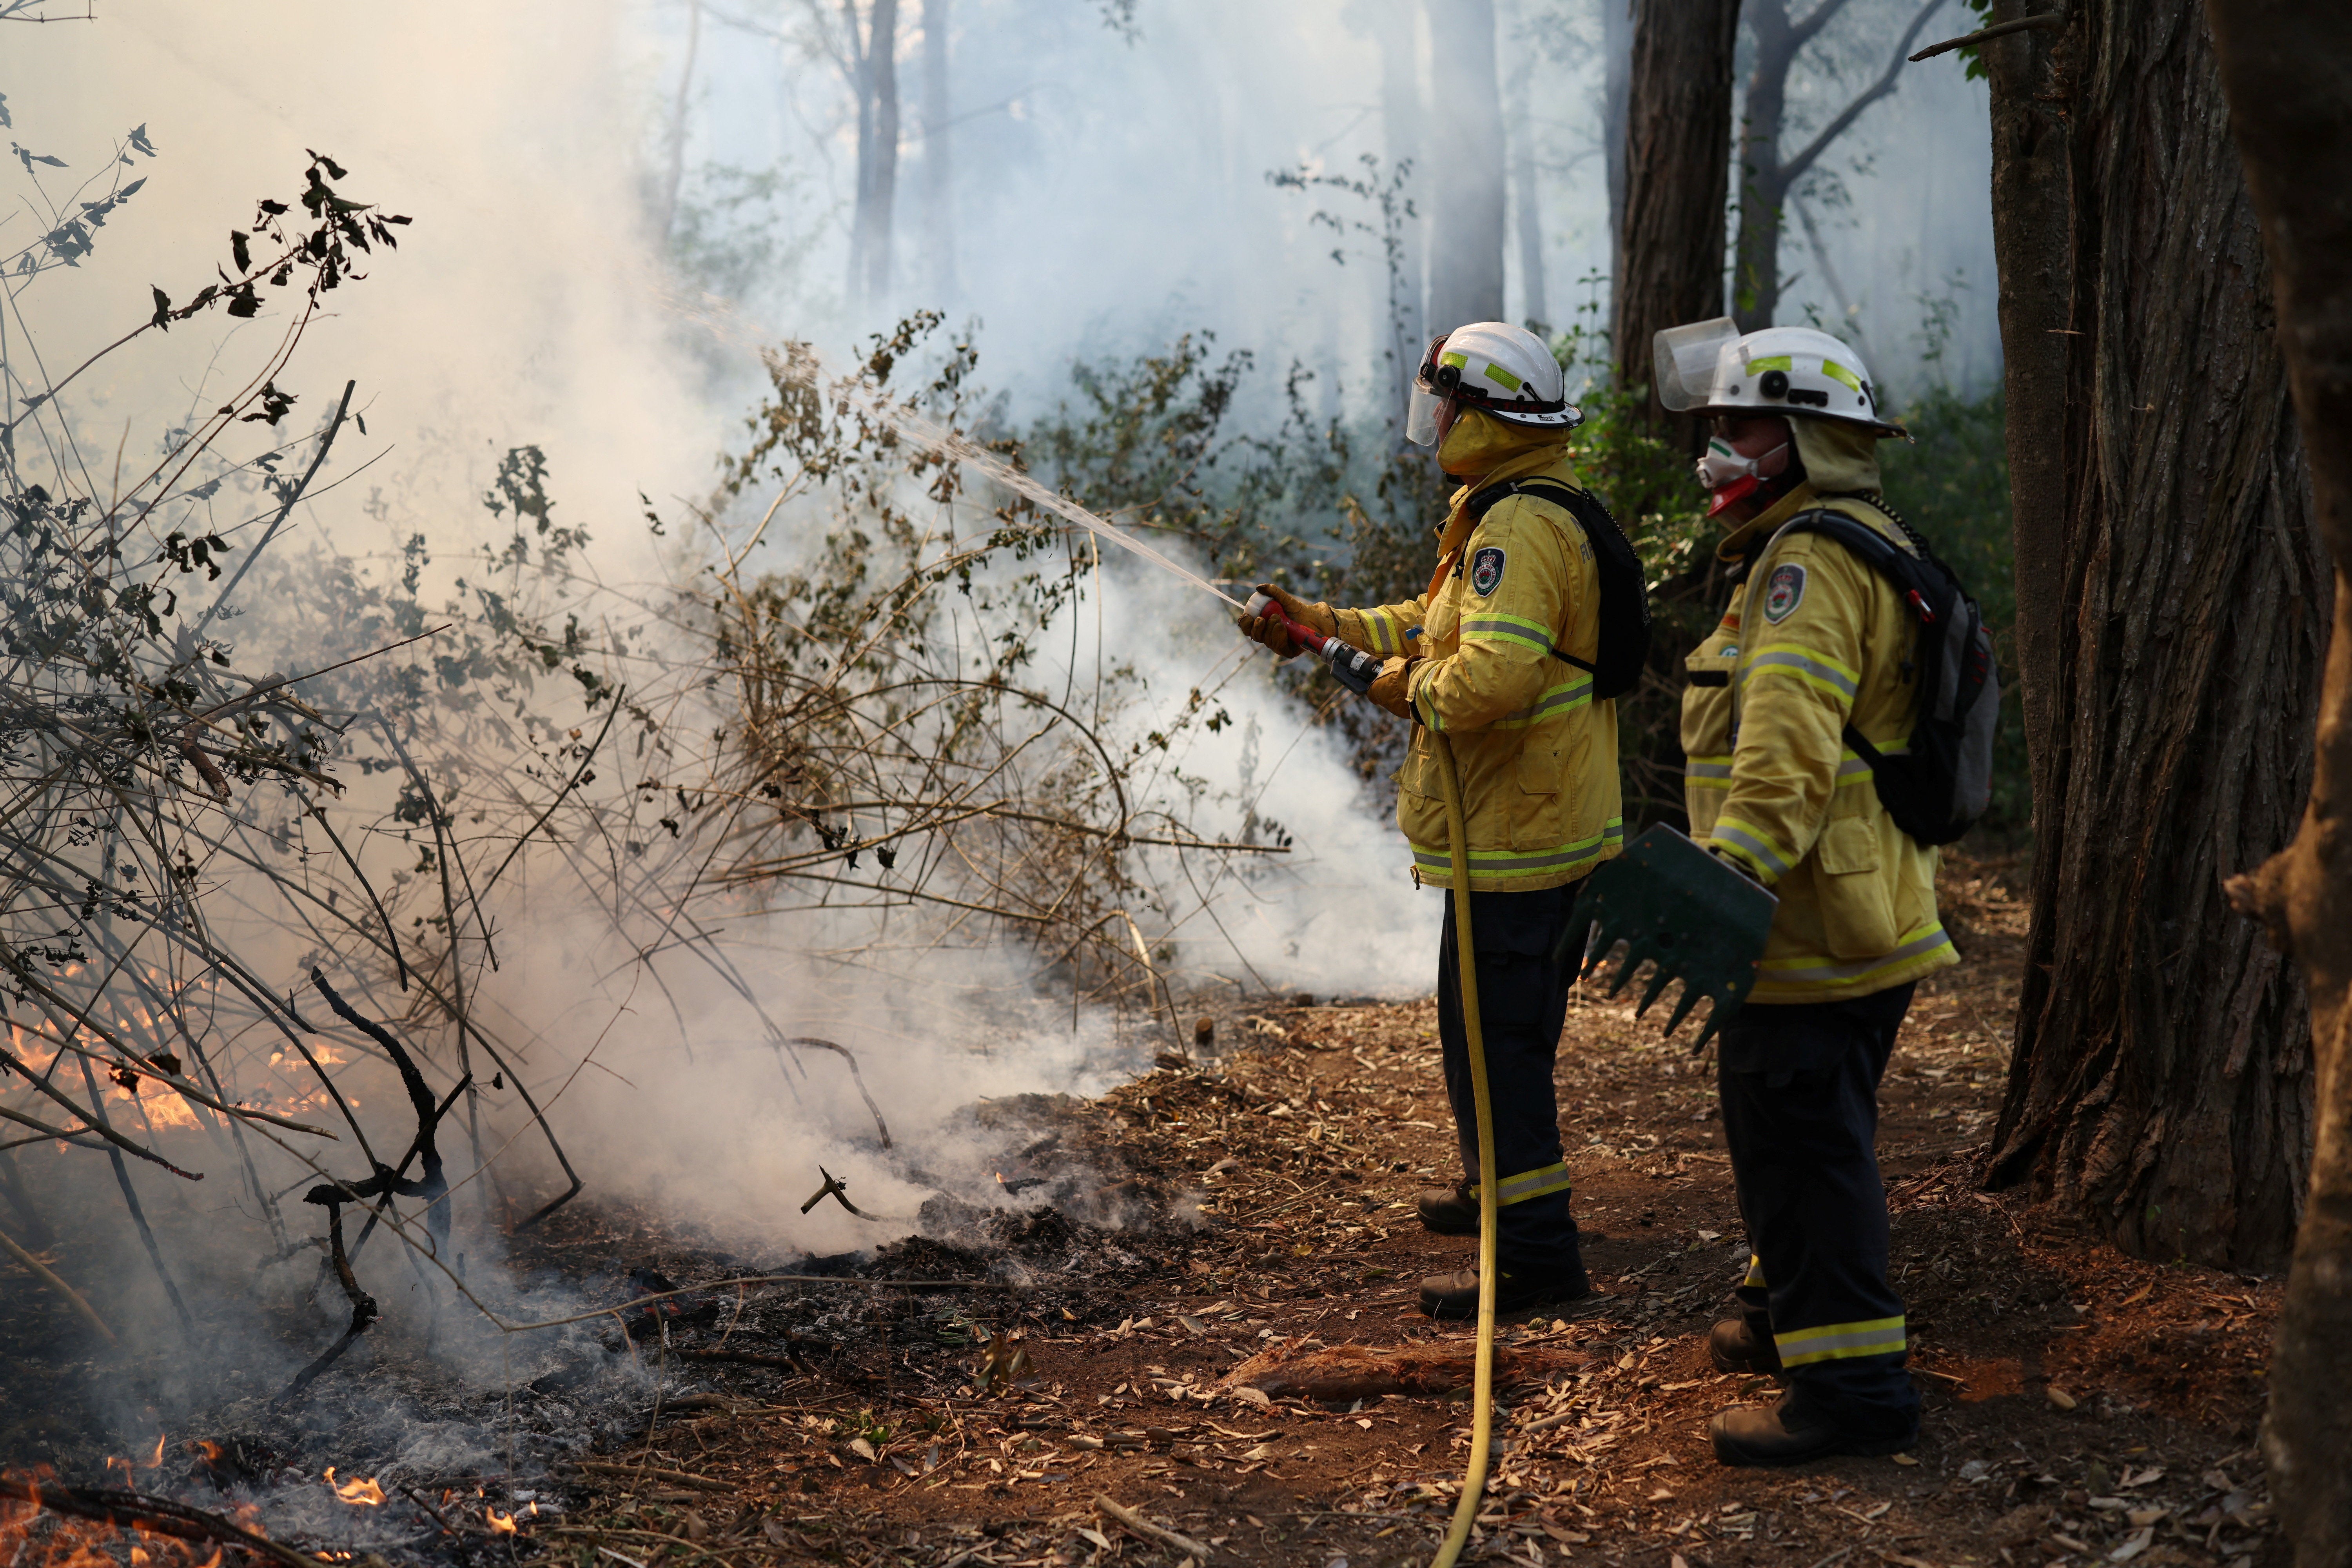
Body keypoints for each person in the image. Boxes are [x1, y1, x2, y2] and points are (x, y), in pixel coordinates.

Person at [1236, 321, 1623, 1320]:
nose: (1436, 420)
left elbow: (1481, 679)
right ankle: (1490, 1186)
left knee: (1501, 1052)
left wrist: (1384, 681)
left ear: (1484, 416)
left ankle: (1537, 1258)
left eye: (1445, 403)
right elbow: (1429, 622)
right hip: (1510, 830)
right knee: (1477, 1032)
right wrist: (1318, 624)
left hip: (1526, 840)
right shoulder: (1509, 507)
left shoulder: (1523, 529)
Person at [1654, 318, 1959, 1465]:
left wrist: (1727, 881)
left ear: (1810, 439)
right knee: (1807, 1140)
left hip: (1808, 928)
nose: (1720, 446)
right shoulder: (1844, 539)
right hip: (1848, 913)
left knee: (1801, 1151)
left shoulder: (1810, 562)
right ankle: (1800, 1331)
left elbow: (1783, 753)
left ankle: (1853, 1399)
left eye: (1741, 425)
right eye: (1719, 424)